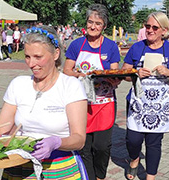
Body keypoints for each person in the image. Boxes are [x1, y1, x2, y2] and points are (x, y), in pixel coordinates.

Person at [0, 25, 89, 179]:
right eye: (27, 56)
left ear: (56, 54)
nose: (31, 64)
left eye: (38, 57)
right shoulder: (18, 84)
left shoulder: (70, 86)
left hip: (59, 166)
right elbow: (1, 128)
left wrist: (56, 142)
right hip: (18, 164)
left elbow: (79, 139)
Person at [121, 12, 169, 180]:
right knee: (133, 140)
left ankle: (151, 177)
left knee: (154, 143)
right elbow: (124, 73)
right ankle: (134, 158)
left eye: (154, 27)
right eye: (147, 26)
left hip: (159, 106)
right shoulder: (137, 47)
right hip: (138, 104)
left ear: (164, 30)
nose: (149, 30)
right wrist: (135, 72)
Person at [64, 4, 120, 180]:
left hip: (104, 103)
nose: (93, 26)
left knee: (102, 146)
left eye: (98, 23)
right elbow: (67, 70)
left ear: (104, 26)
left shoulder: (111, 47)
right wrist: (81, 75)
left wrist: (113, 79)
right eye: (90, 22)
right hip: (81, 103)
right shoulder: (76, 44)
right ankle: (89, 176)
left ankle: (100, 175)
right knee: (84, 147)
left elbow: (115, 72)